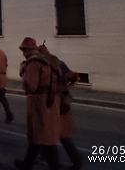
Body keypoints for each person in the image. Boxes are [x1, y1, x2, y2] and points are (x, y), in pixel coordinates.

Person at [14, 37, 61, 170]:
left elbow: (31, 86)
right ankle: (27, 163)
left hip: (39, 101)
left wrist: (22, 71)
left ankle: (54, 166)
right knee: (43, 134)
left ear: (29, 50)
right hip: (52, 100)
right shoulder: (52, 60)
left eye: (24, 50)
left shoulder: (33, 63)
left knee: (42, 135)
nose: (23, 53)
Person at [38, 42, 83, 170]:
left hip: (50, 101)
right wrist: (66, 86)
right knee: (60, 133)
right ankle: (44, 155)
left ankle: (72, 161)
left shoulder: (42, 64)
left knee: (50, 132)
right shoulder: (59, 62)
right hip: (61, 101)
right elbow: (74, 76)